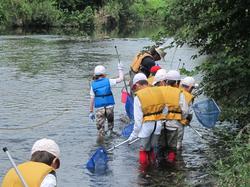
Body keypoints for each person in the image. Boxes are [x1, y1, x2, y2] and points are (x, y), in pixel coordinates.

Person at [128, 73, 165, 171]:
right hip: (158, 125)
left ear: (138, 84)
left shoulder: (138, 97)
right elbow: (164, 110)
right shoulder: (158, 91)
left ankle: (143, 173)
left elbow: (138, 120)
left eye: (135, 86)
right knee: (152, 149)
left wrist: (133, 135)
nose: (135, 89)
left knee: (143, 149)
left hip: (146, 127)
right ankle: (153, 169)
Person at [156, 70, 189, 162]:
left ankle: (159, 166)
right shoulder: (179, 93)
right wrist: (182, 119)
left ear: (166, 81)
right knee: (173, 148)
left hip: (160, 124)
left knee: (160, 147)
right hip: (175, 124)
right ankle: (172, 167)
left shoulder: (158, 90)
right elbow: (185, 111)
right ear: (177, 82)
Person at [89, 63, 124, 137]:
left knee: (100, 130)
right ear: (104, 74)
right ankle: (111, 135)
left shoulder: (93, 85)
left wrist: (91, 112)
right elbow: (121, 79)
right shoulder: (109, 81)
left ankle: (101, 142)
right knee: (110, 126)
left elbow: (92, 100)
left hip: (99, 109)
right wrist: (120, 69)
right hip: (109, 108)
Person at [178, 76, 196, 148]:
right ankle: (176, 158)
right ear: (190, 87)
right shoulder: (189, 97)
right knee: (177, 145)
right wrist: (187, 121)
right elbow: (189, 114)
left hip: (167, 123)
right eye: (192, 88)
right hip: (179, 124)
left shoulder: (174, 91)